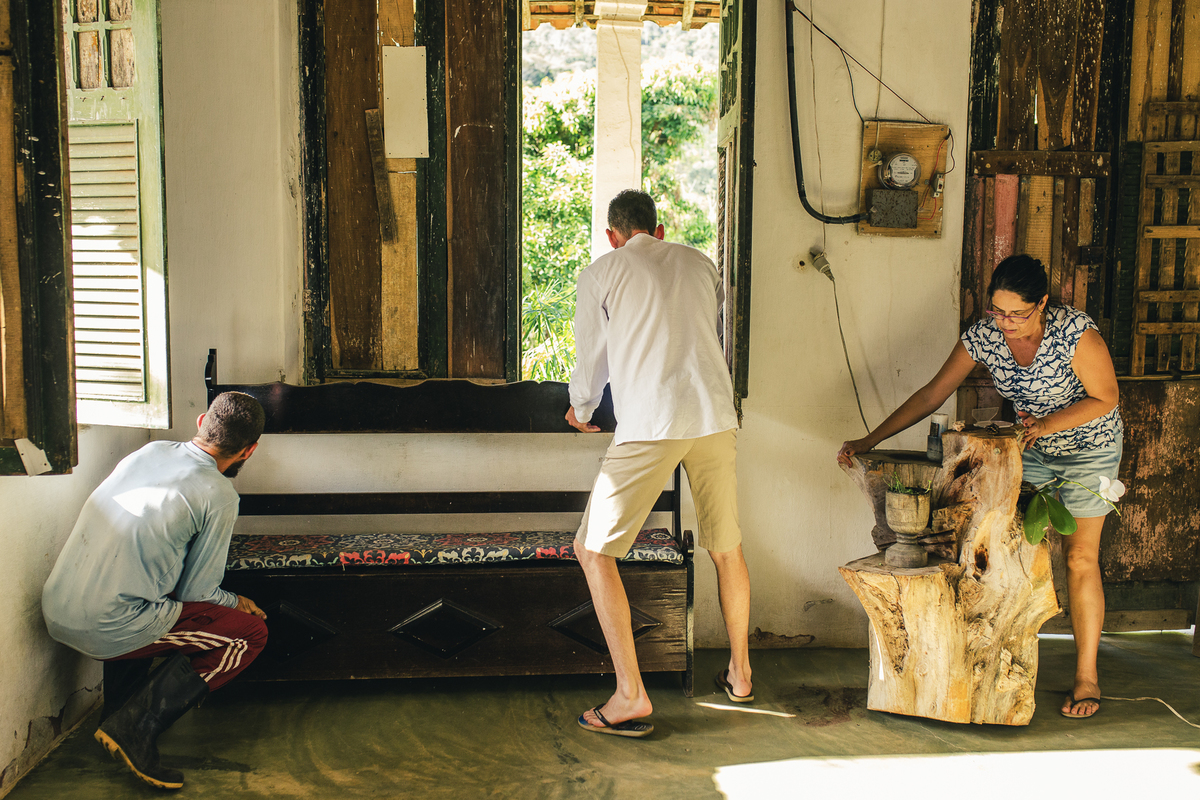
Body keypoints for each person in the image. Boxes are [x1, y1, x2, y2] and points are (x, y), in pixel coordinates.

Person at [837, 254, 1122, 720]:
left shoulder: (1074, 333)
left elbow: (1105, 396)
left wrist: (1046, 425)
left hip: (1089, 449)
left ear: (1043, 304)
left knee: (1080, 557)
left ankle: (1086, 675)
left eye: (1018, 314)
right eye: (998, 311)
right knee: (990, 541)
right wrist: (870, 439)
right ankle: (988, 655)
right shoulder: (984, 337)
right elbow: (933, 393)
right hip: (1026, 449)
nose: (1006, 323)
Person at [566, 189, 751, 738]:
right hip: (715, 415)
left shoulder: (602, 271)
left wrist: (580, 409)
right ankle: (740, 674)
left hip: (652, 421)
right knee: (726, 544)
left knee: (592, 550)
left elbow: (591, 355)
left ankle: (630, 695)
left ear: (613, 236)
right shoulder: (701, 263)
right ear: (660, 230)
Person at [42, 391, 270, 789]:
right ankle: (137, 728)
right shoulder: (219, 494)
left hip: (57, 604)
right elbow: (198, 591)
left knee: (151, 599)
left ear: (201, 422)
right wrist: (239, 602)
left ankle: (116, 715)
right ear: (249, 450)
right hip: (104, 625)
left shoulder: (149, 452)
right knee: (248, 635)